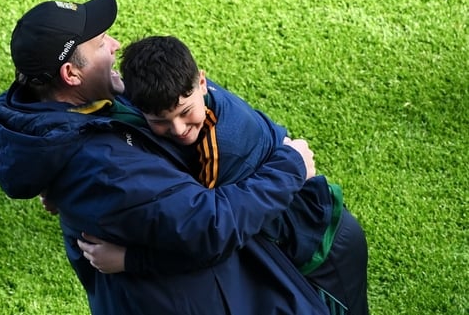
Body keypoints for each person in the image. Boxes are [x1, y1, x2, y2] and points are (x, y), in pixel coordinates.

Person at [0, 0, 332, 315]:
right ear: (71, 74)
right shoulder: (104, 166)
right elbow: (209, 226)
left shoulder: (66, 114)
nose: (115, 45)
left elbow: (181, 99)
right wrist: (291, 164)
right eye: (102, 43)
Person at [78, 35, 369, 314]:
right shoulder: (181, 86)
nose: (178, 130)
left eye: (184, 112)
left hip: (323, 250)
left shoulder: (221, 149)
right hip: (291, 240)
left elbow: (208, 238)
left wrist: (129, 259)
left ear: (201, 82)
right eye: (160, 121)